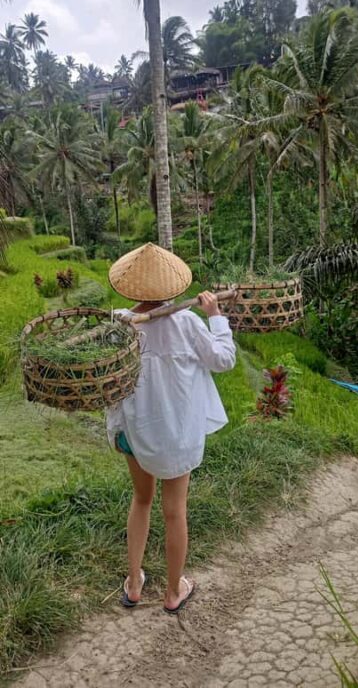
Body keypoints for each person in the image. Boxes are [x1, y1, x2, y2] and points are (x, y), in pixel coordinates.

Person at [107, 243, 236, 614]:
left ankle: (134, 584)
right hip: (175, 437)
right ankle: (173, 591)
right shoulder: (187, 323)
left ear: (129, 287)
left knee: (141, 499)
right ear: (173, 286)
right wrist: (215, 315)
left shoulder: (119, 324)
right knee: (174, 511)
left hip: (134, 433)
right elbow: (224, 360)